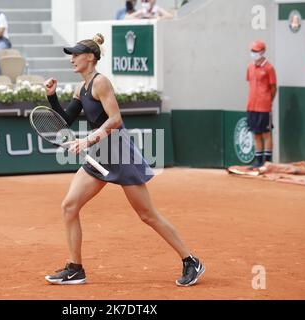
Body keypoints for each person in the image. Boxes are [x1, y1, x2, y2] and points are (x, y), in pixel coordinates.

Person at [43, 33, 205, 287]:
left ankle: (191, 260)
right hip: (100, 153)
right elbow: (65, 121)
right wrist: (52, 96)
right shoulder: (80, 87)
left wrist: (88, 140)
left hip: (119, 152)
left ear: (90, 57)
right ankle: (75, 268)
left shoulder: (100, 83)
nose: (72, 59)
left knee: (147, 215)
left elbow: (116, 120)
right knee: (69, 206)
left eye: (75, 54)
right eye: (71, 55)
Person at [246, 40, 277, 168]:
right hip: (251, 106)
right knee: (256, 133)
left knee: (266, 134)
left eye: (256, 51)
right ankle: (258, 161)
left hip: (264, 107)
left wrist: (268, 101)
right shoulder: (249, 67)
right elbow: (251, 84)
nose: (253, 53)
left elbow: (274, 88)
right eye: (252, 50)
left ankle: (267, 162)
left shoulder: (269, 68)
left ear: (262, 52)